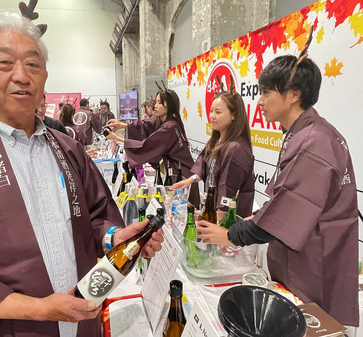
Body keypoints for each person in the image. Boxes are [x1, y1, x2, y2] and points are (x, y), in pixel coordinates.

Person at [0, 10, 163, 337]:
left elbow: (94, 216)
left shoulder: (68, 149)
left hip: (81, 320)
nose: (21, 76)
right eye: (4, 64)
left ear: (45, 76)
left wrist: (114, 237)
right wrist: (40, 308)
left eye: (32, 64)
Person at [197, 53, 359, 327]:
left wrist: (231, 235)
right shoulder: (305, 132)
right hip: (303, 254)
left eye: (266, 92)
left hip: (314, 263)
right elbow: (285, 199)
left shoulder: (314, 140)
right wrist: (254, 219)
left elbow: (290, 211)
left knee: (306, 324)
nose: (259, 101)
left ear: (294, 94)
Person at [106, 88, 200, 206]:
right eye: (156, 102)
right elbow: (144, 125)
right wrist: (122, 125)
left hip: (182, 174)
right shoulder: (161, 120)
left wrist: (117, 138)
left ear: (169, 106)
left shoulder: (170, 126)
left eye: (160, 103)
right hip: (174, 171)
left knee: (182, 210)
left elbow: (147, 145)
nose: (155, 106)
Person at [172, 88, 254, 219]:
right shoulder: (216, 140)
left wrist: (217, 224)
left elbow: (227, 191)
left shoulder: (235, 148)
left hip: (228, 219)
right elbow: (205, 168)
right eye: (211, 111)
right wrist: (189, 181)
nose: (212, 116)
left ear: (234, 115)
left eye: (218, 112)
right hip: (212, 210)